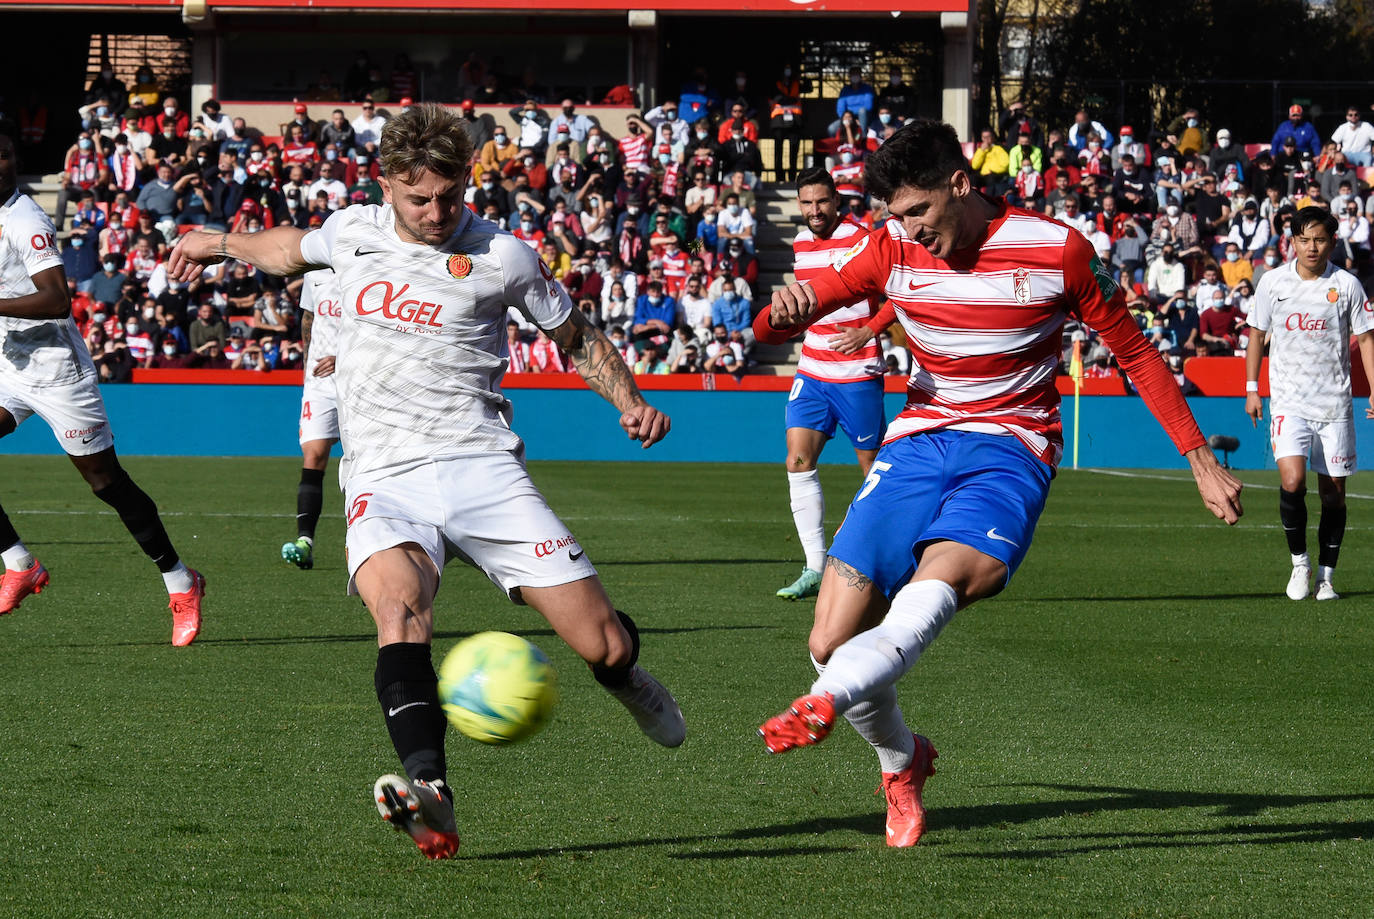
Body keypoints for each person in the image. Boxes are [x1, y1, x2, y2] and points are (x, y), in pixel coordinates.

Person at [167, 103, 684, 860]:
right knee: (399, 609)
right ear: (387, 187)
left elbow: (575, 336)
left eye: (450, 195)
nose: (438, 212)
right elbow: (284, 249)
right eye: (420, 199)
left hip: (483, 468)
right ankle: (431, 793)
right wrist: (217, 242)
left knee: (602, 645)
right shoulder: (351, 233)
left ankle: (630, 679)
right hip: (384, 474)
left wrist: (629, 400)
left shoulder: (504, 255)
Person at [750, 120, 1243, 848]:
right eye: (896, 217)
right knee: (828, 639)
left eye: (918, 211)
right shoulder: (889, 247)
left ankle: (820, 703)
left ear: (959, 183)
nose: (909, 230)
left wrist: (1199, 458)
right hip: (918, 441)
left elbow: (1134, 351)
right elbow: (777, 319)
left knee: (938, 584)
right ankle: (903, 760)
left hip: (1011, 448)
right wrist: (780, 310)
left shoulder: (1059, 249)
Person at [0, 135, 205, 642]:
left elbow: (55, 301)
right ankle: (18, 564)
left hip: (56, 371)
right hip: (9, 364)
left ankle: (182, 582)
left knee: (105, 483)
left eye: (5, 153)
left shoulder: (25, 220)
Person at [774, 169, 893, 601]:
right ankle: (813, 566)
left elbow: (900, 292)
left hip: (857, 373)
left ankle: (882, 563)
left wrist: (867, 331)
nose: (814, 210)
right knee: (797, 460)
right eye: (807, 203)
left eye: (821, 202)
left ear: (836, 201)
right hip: (811, 370)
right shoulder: (801, 244)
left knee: (874, 473)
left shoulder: (864, 239)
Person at [1245, 206, 1374, 601]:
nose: (1312, 247)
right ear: (1292, 242)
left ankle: (1326, 577)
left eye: (1319, 239)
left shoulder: (1347, 285)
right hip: (1289, 401)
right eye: (1304, 239)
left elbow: (1366, 339)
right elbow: (1255, 334)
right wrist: (1252, 388)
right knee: (1292, 481)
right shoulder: (1272, 283)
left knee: (1333, 494)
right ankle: (1299, 565)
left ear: (1332, 241)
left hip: (1335, 405)